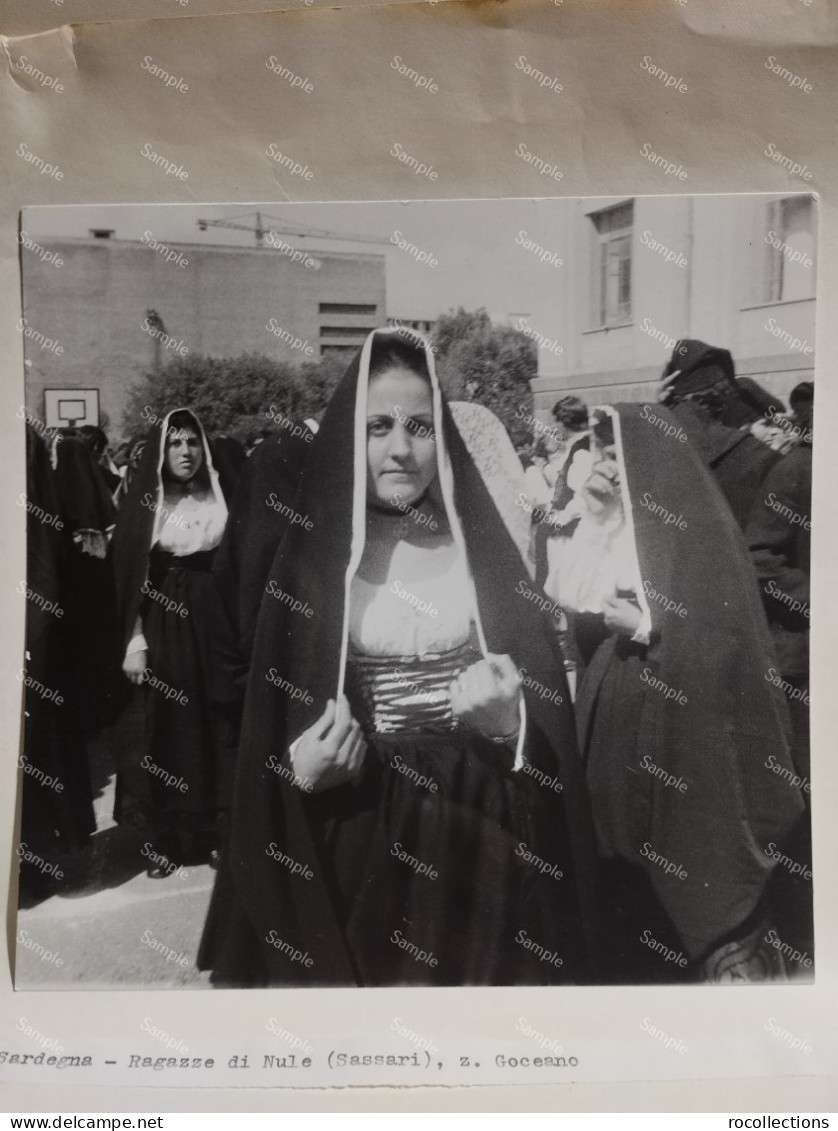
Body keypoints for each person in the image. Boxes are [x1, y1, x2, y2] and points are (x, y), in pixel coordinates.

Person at [199, 328, 597, 987]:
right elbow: (268, 723)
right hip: (357, 822)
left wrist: (508, 722)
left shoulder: (482, 557)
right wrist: (298, 766)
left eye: (419, 425)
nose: (400, 449)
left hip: (477, 822)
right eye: (378, 425)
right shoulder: (311, 564)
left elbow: (542, 712)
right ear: (349, 438)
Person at [552, 405, 806, 983]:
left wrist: (649, 627)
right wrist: (596, 518)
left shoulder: (694, 529)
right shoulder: (616, 524)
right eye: (602, 453)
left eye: (619, 455)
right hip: (618, 713)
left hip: (681, 733)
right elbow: (571, 601)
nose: (608, 468)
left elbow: (719, 643)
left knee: (692, 871)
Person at [111, 409, 232, 876]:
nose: (186, 452)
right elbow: (125, 583)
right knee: (166, 727)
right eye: (176, 444)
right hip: (163, 622)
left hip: (213, 620)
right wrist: (134, 640)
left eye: (192, 443)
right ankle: (164, 839)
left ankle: (214, 831)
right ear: (161, 453)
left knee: (214, 719)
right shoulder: (146, 507)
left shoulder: (220, 498)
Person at [657, 340, 781, 529]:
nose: (775, 431)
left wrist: (660, 411)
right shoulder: (759, 457)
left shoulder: (656, 448)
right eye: (766, 423)